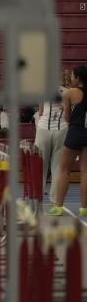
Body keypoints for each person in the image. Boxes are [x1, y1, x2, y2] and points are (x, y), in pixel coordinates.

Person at [50, 66, 87, 216]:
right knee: (85, 172)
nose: (71, 78)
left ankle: (59, 207)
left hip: (75, 132)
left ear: (78, 78)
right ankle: (84, 208)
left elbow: (67, 118)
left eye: (72, 76)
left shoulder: (70, 93)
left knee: (64, 170)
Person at [35, 73, 69, 203]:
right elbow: (68, 113)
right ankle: (55, 199)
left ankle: (38, 197)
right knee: (57, 166)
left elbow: (41, 112)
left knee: (40, 165)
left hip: (43, 128)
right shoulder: (67, 92)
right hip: (61, 129)